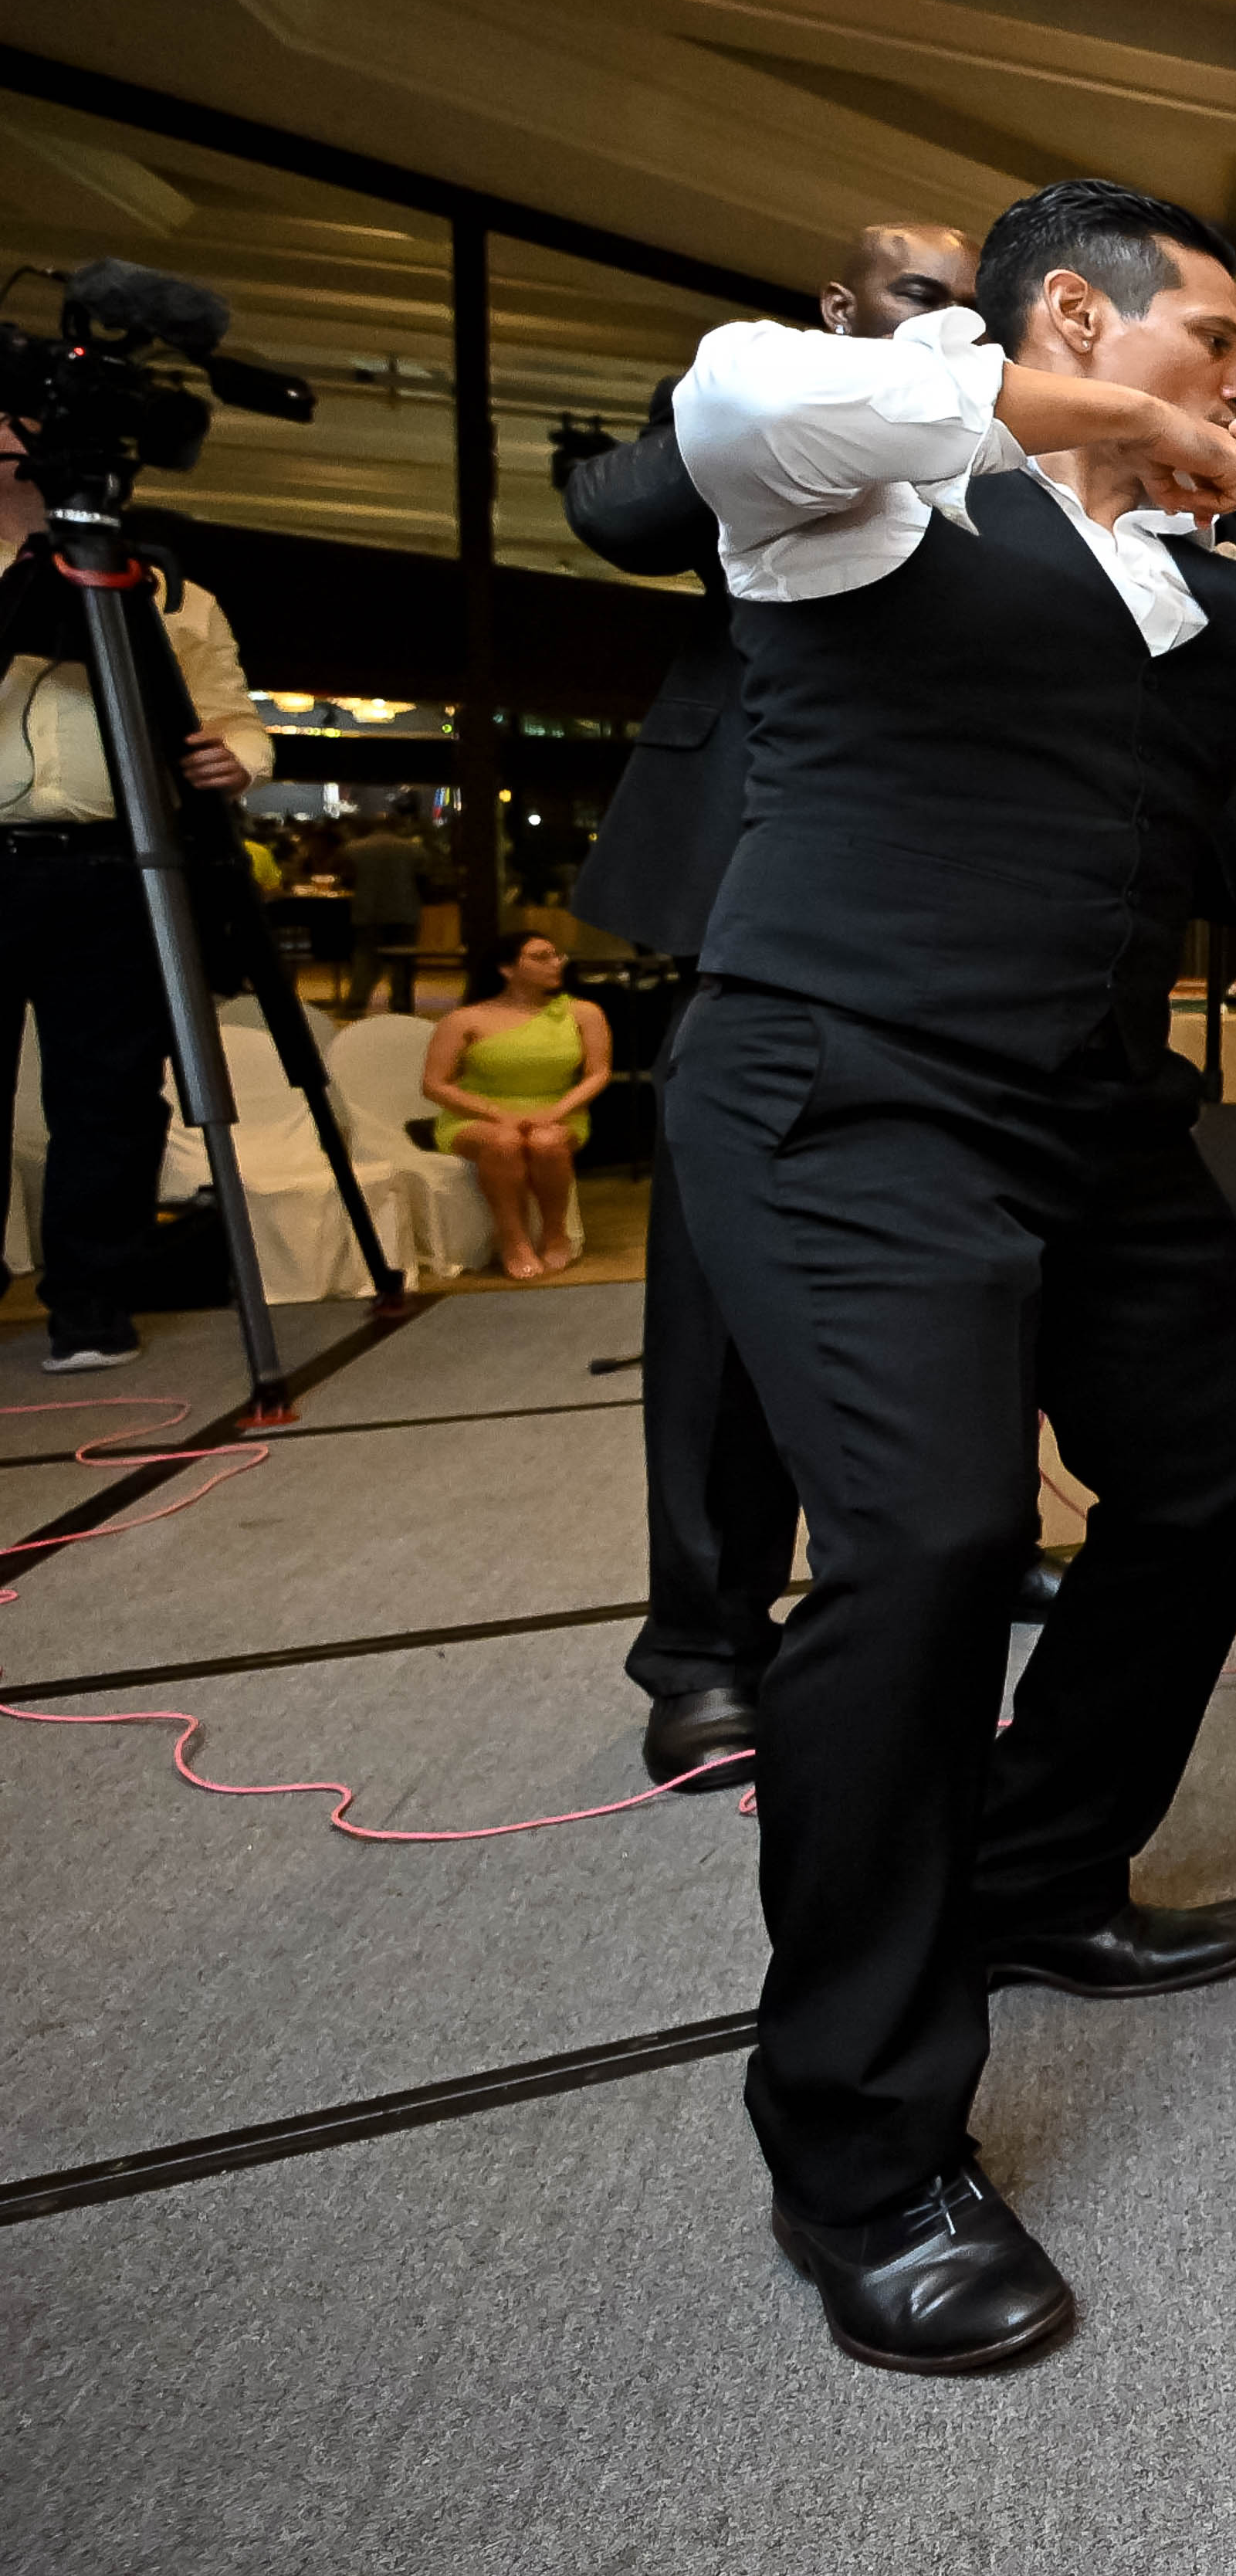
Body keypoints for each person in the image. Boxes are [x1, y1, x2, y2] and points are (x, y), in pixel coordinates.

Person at [661, 176, 1236, 2371]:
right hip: (846, 1088)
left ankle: (1040, 1870)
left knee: (1214, 1464)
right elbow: (734, 395)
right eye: (1220, 338)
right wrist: (1063, 414)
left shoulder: (1224, 600)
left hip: (1086, 1112)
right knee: (935, 1539)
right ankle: (856, 2147)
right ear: (1074, 310)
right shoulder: (869, 505)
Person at [565, 216, 975, 1788]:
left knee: (977, 1281)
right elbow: (615, 508)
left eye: (971, 312)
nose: (952, 332)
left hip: (965, 905)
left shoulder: (1017, 440)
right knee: (732, 1309)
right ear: (840, 307)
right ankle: (706, 1647)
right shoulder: (772, 404)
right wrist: (872, 384)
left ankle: (953, 1555)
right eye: (919, 300)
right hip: (776, 909)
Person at [0, 452, 277, 1374]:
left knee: (107, 1094)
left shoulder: (164, 584)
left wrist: (240, 759)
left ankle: (91, 1300)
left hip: (118, 866)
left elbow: (235, 716)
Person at [416, 927, 610, 1276]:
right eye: (541, 957)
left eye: (557, 955)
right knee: (503, 1142)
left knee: (547, 1142)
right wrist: (496, 1113)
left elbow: (598, 1073)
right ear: (506, 969)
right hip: (477, 1114)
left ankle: (555, 1234)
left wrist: (556, 1111)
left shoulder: (584, 1013)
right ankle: (514, 1240)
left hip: (557, 1109)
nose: (555, 963)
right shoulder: (465, 1019)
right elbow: (434, 1085)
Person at [337, 806, 430, 1017]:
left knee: (365, 959)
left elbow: (347, 878)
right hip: (404, 910)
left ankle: (356, 1003)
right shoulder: (413, 849)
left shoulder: (354, 848)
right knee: (403, 962)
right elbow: (424, 878)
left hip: (367, 911)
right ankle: (401, 1004)